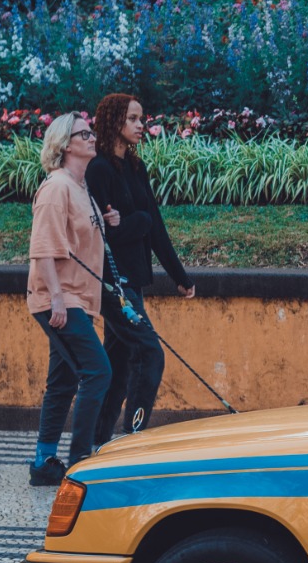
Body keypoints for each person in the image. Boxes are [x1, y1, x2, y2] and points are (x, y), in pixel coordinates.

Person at [86, 93, 195, 443]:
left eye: (141, 119)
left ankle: (95, 442)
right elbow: (103, 232)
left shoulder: (135, 167)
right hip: (112, 283)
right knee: (149, 354)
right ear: (114, 121)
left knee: (118, 365)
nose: (140, 126)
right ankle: (133, 438)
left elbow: (155, 225)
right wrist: (139, 221)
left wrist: (179, 275)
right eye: (133, 119)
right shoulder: (98, 168)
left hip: (133, 281)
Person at [27, 112, 114, 486]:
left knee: (63, 381)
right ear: (65, 145)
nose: (92, 137)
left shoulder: (80, 187)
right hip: (60, 301)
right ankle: (80, 460)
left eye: (91, 132)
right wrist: (58, 299)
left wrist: (108, 220)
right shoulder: (56, 188)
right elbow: (42, 250)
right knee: (98, 372)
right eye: (84, 133)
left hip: (77, 298)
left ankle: (43, 461)